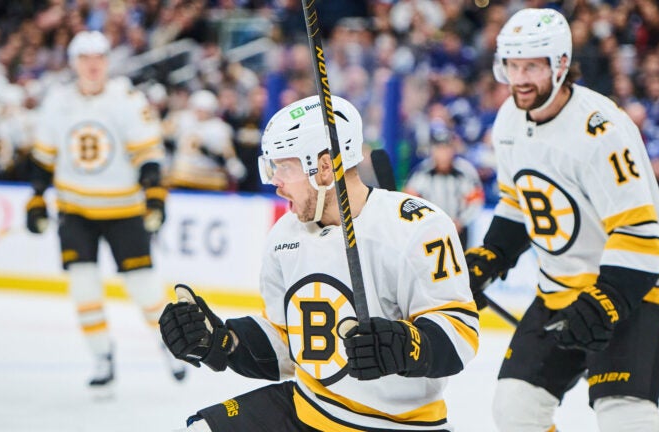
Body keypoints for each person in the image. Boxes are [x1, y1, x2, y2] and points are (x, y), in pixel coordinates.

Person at [159, 95, 480, 432]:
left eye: (284, 167)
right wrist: (222, 342)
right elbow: (290, 342)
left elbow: (461, 335)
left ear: (324, 166)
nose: (276, 182)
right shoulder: (285, 233)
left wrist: (404, 346)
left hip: (397, 425)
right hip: (307, 409)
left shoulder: (418, 227)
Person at [464, 9, 659, 432]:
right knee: (515, 408)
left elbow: (637, 231)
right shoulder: (508, 120)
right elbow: (518, 201)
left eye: (532, 66)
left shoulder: (601, 130)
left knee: (624, 413)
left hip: (631, 288)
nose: (520, 78)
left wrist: (607, 299)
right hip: (559, 290)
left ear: (560, 65)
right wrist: (490, 256)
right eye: (513, 65)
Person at [25, 31, 185, 392]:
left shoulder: (127, 99)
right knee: (83, 288)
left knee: (144, 289)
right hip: (75, 208)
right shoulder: (58, 101)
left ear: (107, 61)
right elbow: (43, 158)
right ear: (73, 63)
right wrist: (36, 197)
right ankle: (101, 356)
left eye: (98, 57)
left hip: (124, 208)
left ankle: (171, 346)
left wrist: (154, 194)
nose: (92, 65)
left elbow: (148, 156)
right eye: (84, 58)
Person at [404, 121, 484, 249]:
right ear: (432, 150)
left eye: (446, 148)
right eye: (439, 148)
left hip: (459, 231)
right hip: (429, 232)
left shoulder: (465, 171)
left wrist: (461, 221)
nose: (443, 153)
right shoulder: (421, 172)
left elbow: (476, 200)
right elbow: (409, 202)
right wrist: (426, 223)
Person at [167, 89, 247, 191]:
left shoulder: (219, 128)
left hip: (209, 177)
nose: (200, 113)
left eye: (203, 110)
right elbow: (163, 135)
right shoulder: (181, 119)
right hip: (183, 176)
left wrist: (233, 164)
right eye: (198, 109)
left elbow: (227, 153)